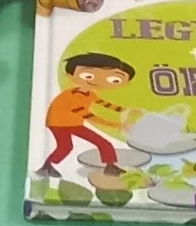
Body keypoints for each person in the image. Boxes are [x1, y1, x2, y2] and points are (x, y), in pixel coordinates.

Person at [40, 48, 136, 183]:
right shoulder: (73, 95)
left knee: (103, 143)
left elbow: (105, 104)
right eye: (88, 76)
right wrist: (116, 125)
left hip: (74, 123)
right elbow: (88, 115)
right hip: (59, 124)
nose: (99, 81)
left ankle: (110, 167)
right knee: (65, 147)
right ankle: (46, 167)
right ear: (70, 75)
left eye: (114, 79)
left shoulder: (90, 93)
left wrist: (126, 110)